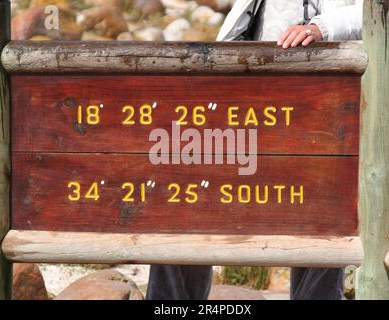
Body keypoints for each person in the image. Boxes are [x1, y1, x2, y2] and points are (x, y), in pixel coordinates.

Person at [147, 0, 363, 301]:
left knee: (327, 203)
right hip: (245, 100)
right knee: (181, 190)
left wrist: (321, 28)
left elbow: (386, 11)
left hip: (321, 109)